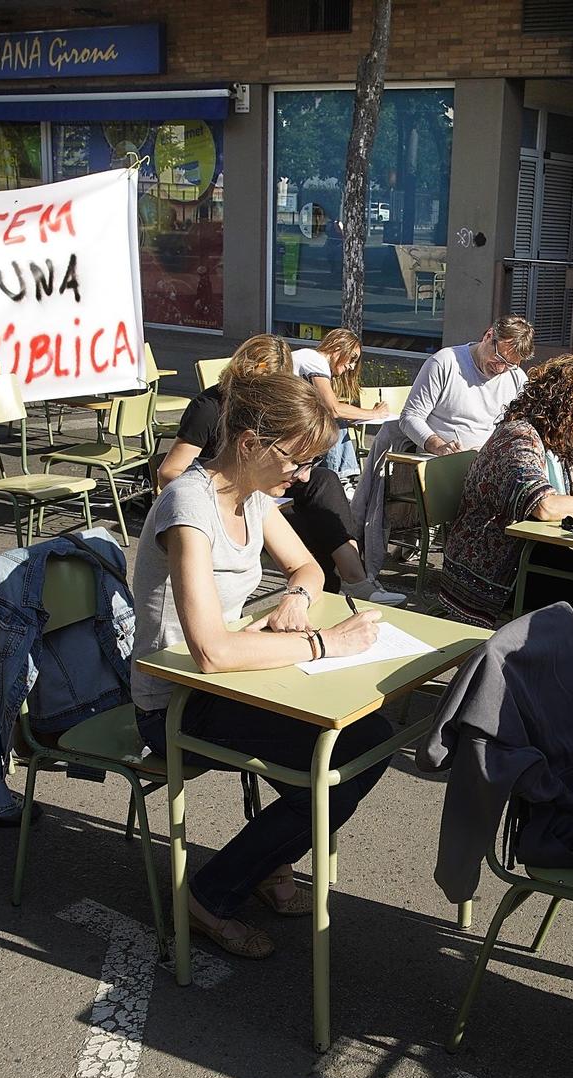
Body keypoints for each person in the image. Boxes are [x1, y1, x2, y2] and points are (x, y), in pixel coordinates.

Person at [131, 370, 388, 960]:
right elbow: (213, 652)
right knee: (342, 757)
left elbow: (309, 570)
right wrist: (326, 645)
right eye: (295, 462)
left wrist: (296, 600)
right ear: (249, 444)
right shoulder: (189, 503)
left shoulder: (251, 495)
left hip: (225, 687)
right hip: (175, 703)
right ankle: (209, 894)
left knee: (364, 740)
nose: (301, 476)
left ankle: (267, 862)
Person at [436, 355, 573, 746]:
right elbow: (545, 506)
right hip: (494, 570)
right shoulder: (518, 437)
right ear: (564, 407)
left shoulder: (564, 445)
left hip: (532, 557)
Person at [166, 335, 403, 605]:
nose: (273, 395)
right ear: (249, 373)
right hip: (228, 496)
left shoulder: (265, 407)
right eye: (269, 386)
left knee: (323, 483)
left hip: (260, 493)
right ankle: (336, 593)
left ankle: (352, 581)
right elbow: (171, 471)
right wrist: (227, 493)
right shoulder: (209, 408)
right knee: (317, 527)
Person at [351, 317, 533, 568]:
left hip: (487, 461)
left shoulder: (516, 378)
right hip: (443, 460)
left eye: (509, 365)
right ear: (488, 335)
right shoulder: (446, 362)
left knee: (526, 489)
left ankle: (503, 566)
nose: (501, 368)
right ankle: (474, 565)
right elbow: (410, 417)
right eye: (499, 359)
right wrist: (438, 445)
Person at [292, 328, 379, 484]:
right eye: (352, 358)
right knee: (334, 422)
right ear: (337, 346)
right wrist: (375, 413)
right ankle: (341, 479)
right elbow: (334, 409)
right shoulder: (315, 360)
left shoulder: (310, 358)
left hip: (290, 416)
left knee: (335, 420)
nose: (352, 366)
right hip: (287, 420)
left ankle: (343, 478)